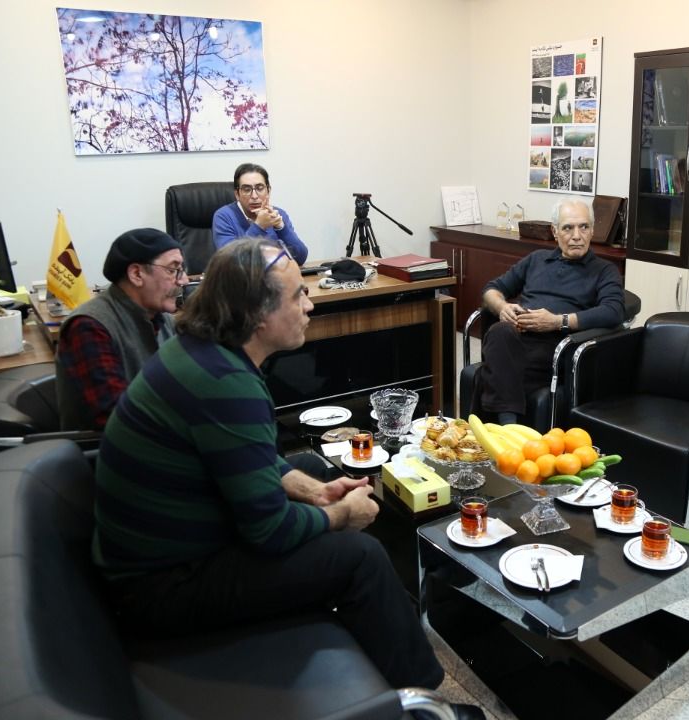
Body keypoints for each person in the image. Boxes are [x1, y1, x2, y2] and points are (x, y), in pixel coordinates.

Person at [91, 239, 456, 696]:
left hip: (168, 547)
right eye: (298, 296)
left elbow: (249, 461)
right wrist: (340, 515)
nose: (311, 303)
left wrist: (316, 494)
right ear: (258, 315)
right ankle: (426, 697)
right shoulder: (227, 384)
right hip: (162, 588)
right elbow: (269, 531)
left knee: (310, 468)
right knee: (360, 558)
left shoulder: (202, 351)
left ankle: (367, 620)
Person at [479, 198, 625, 424]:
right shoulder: (537, 259)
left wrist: (558, 321)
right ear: (555, 232)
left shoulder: (605, 270)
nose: (577, 235)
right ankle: (508, 432)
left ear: (592, 230)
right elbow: (491, 289)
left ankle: (504, 431)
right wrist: (503, 307)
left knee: (493, 370)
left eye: (584, 227)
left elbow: (613, 311)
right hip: (516, 339)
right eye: (568, 228)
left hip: (558, 348)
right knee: (500, 332)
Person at [56, 228, 188, 431]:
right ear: (136, 274)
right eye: (173, 269)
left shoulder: (165, 321)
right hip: (112, 452)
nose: (183, 280)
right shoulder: (89, 326)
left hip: (161, 441)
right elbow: (117, 416)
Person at [212, 162, 308, 265]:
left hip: (274, 277)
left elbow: (300, 258)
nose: (254, 196)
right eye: (247, 189)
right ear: (237, 194)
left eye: (259, 188)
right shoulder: (223, 217)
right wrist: (259, 226)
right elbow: (230, 262)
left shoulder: (278, 214)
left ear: (268, 190)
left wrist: (281, 228)